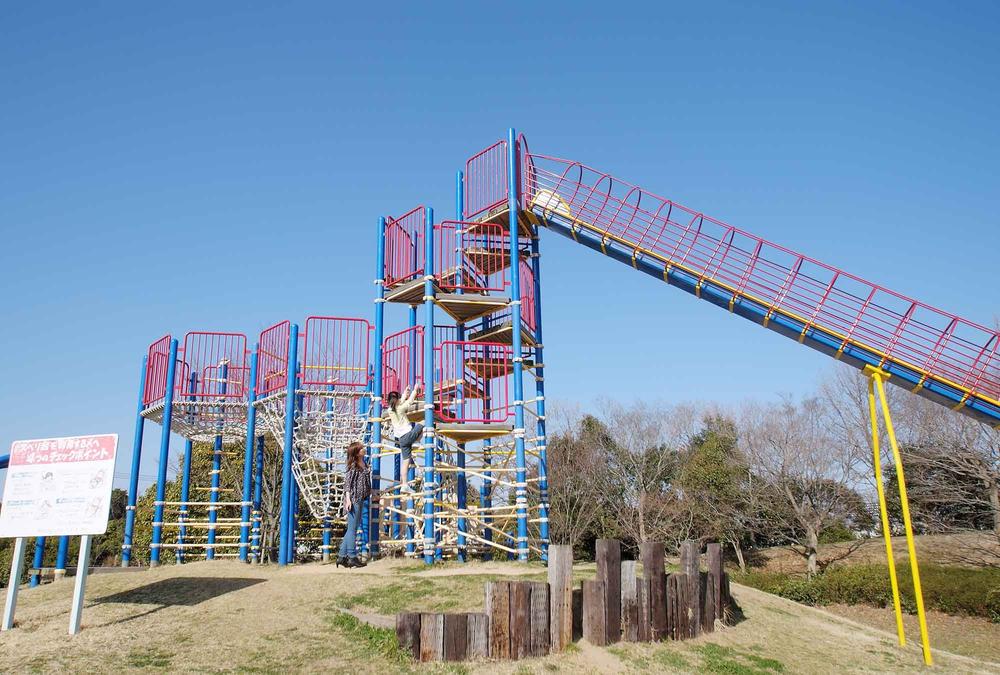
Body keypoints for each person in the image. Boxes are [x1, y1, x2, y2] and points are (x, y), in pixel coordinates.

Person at [337, 441, 371, 569]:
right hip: (353, 499)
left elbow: (366, 482)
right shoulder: (353, 466)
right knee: (352, 529)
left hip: (362, 498)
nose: (364, 449)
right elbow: (347, 484)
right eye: (361, 448)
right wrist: (348, 499)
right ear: (357, 453)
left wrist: (372, 493)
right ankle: (352, 557)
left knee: (353, 528)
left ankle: (341, 556)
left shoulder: (364, 463)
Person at [385, 385, 423, 494]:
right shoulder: (401, 408)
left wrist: (404, 393)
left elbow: (399, 402)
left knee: (405, 463)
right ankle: (417, 441)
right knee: (425, 422)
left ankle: (404, 484)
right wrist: (415, 390)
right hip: (408, 435)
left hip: (401, 439)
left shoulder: (390, 410)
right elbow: (409, 402)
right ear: (397, 400)